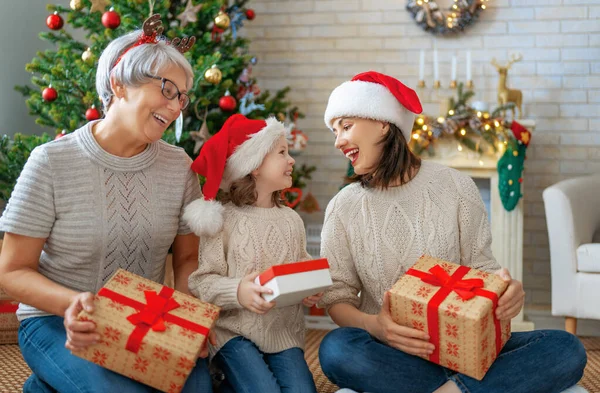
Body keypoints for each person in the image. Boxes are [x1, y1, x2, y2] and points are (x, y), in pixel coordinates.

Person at [317, 71, 587, 393]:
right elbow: (337, 297)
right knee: (336, 348)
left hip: (464, 345)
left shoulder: (455, 186)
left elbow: (483, 270)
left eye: (346, 126)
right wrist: (376, 326)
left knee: (565, 347)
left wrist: (506, 291)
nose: (338, 142)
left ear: (382, 122)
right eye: (335, 131)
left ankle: (450, 389)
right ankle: (467, 389)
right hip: (390, 350)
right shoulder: (343, 207)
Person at [0, 15, 213, 393]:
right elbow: (11, 271)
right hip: (55, 319)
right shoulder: (51, 161)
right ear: (119, 84)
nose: (177, 106)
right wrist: (71, 304)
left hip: (143, 319)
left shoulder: (178, 165)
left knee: (194, 387)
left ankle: (48, 386)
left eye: (181, 96)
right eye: (166, 88)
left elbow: (186, 259)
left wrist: (186, 323)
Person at [184, 114, 321, 393]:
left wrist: (310, 285)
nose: (291, 159)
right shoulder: (223, 220)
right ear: (254, 166)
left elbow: (298, 262)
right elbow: (201, 282)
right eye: (282, 152)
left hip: (283, 334)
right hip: (233, 334)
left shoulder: (291, 220)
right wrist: (238, 292)